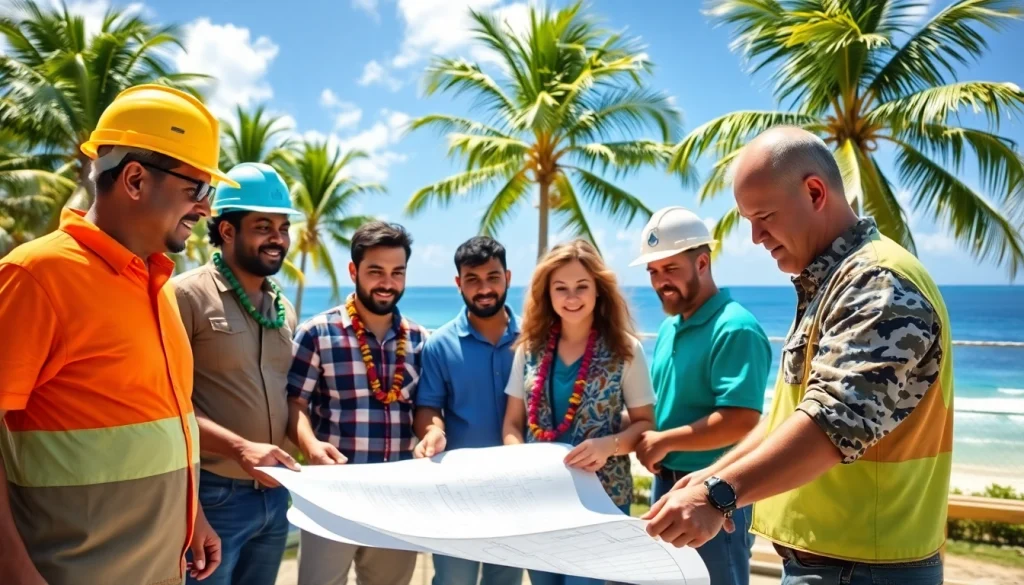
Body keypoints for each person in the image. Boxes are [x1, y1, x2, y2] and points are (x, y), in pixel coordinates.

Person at [644, 126, 952, 585]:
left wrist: (717, 496)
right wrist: (714, 474)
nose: (755, 237)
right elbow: (792, 418)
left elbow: (832, 423)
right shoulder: (834, 282)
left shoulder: (876, 283)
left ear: (814, 192)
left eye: (764, 216)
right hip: (841, 561)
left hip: (863, 566)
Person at [0, 84, 235, 585]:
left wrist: (191, 515)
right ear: (134, 179)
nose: (206, 209)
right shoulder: (36, 275)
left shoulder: (158, 285)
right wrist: (14, 570)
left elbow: (164, 421)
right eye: (197, 190)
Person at [173, 162, 305, 585]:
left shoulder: (284, 310)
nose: (278, 238)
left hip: (276, 495)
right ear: (227, 231)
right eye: (263, 227)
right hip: (212, 497)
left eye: (283, 228)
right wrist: (239, 449)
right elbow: (166, 406)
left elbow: (286, 397)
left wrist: (312, 446)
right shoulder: (185, 296)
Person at [629, 206, 771, 585]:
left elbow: (741, 420)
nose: (660, 281)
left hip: (716, 496)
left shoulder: (735, 327)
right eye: (653, 271)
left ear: (703, 263)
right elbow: (665, 405)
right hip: (668, 486)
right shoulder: (670, 327)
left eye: (670, 268)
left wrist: (663, 441)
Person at [502, 239, 656, 585]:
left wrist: (608, 446)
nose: (571, 297)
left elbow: (645, 424)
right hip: (540, 500)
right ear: (548, 294)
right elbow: (512, 423)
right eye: (561, 288)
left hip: (601, 500)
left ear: (598, 290)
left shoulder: (625, 349)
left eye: (581, 286)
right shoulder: (529, 348)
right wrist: (522, 460)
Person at [286, 221, 428, 585]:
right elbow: (295, 403)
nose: (387, 282)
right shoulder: (316, 333)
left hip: (399, 500)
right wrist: (311, 447)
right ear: (354, 271)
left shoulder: (420, 339)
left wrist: (432, 432)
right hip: (333, 496)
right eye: (376, 271)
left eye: (397, 272)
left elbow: (425, 410)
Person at [413, 236, 525, 585]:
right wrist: (433, 431)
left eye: (492, 277)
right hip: (456, 492)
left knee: (505, 583)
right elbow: (428, 405)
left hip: (520, 490)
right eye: (472, 279)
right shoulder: (439, 344)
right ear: (458, 283)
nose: (484, 289)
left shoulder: (535, 338)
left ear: (508, 277)